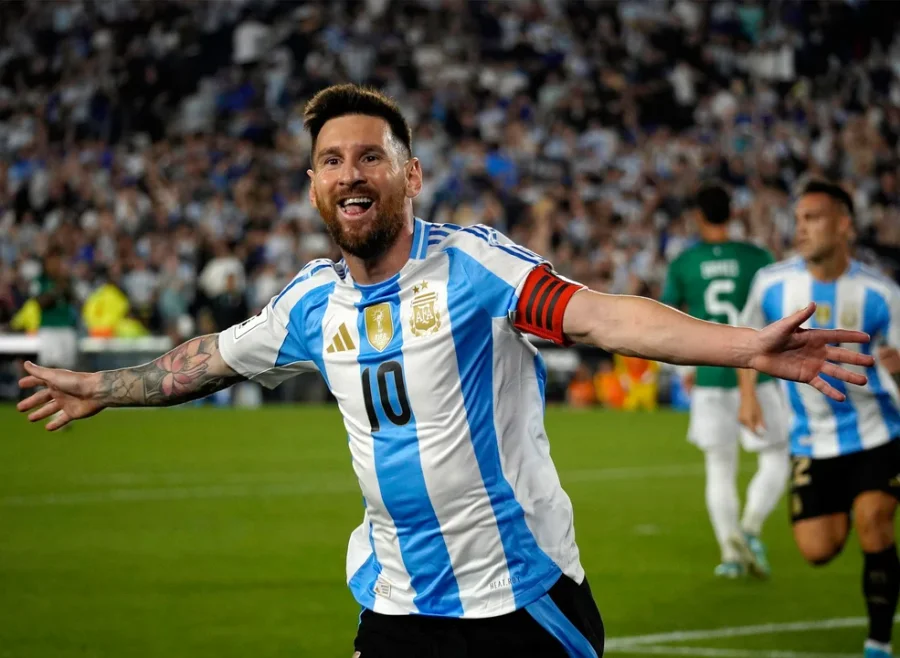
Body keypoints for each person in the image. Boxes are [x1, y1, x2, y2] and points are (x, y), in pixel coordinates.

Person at [18, 86, 876, 658]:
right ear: (314, 187)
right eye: (330, 161)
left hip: (519, 600)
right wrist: (102, 386)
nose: (348, 172)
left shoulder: (473, 270)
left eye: (369, 156)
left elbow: (606, 316)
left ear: (410, 174)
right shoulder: (310, 304)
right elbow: (205, 362)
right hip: (395, 605)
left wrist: (746, 346)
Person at [739, 179, 900, 658]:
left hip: (879, 433)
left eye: (814, 218)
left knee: (873, 520)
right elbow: (749, 342)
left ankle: (877, 643)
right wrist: (748, 397)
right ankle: (870, 529)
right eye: (799, 219)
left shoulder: (881, 292)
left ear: (845, 224)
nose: (801, 228)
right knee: (817, 549)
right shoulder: (771, 283)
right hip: (811, 440)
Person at [661, 182, 789, 580]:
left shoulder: (683, 263)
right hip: (759, 372)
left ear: (698, 217)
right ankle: (750, 527)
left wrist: (684, 371)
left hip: (710, 374)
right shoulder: (759, 258)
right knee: (777, 456)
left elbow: (666, 319)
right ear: (733, 213)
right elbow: (774, 312)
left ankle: (731, 553)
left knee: (720, 468)